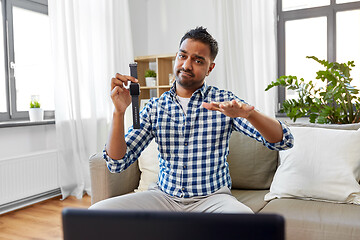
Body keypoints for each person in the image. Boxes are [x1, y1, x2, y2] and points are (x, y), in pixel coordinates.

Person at [89, 26, 294, 213]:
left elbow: (284, 140)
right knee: (96, 214)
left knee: (245, 222)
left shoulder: (223, 102)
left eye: (198, 60)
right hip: (163, 198)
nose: (187, 65)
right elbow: (116, 163)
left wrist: (249, 114)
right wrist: (118, 112)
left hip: (213, 199)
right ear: (176, 58)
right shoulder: (155, 108)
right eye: (182, 56)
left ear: (210, 68)